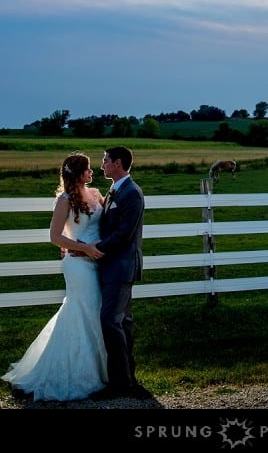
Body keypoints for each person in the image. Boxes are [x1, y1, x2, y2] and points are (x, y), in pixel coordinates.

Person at [1, 152, 108, 401]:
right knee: (81, 310)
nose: (92, 173)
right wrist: (84, 248)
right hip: (79, 264)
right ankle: (77, 373)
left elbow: (107, 223)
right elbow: (55, 237)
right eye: (88, 169)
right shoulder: (65, 200)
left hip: (98, 261)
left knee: (96, 310)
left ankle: (104, 370)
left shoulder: (95, 194)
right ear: (78, 173)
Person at [88, 145, 147, 400]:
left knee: (110, 321)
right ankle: (128, 379)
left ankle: (120, 383)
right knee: (122, 322)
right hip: (112, 266)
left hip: (121, 266)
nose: (102, 165)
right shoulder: (115, 191)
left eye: (105, 161)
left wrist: (94, 249)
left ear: (119, 163)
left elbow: (124, 234)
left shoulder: (131, 194)